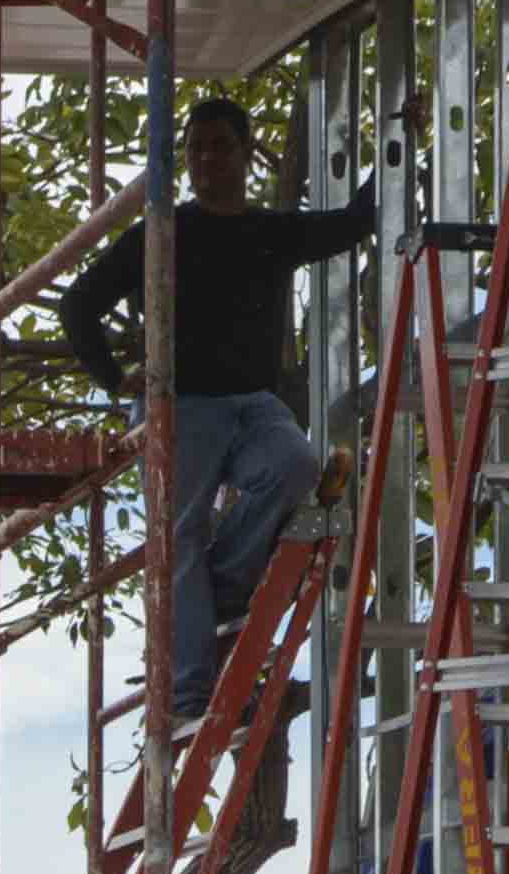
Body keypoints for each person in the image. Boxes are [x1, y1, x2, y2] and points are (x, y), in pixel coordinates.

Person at [62, 96, 376, 739]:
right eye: (196, 148)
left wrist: (403, 137)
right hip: (181, 406)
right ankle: (189, 696)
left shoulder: (268, 231)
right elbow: (79, 304)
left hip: (252, 404)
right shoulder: (163, 232)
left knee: (296, 465)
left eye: (220, 146)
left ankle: (226, 589)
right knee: (177, 538)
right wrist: (110, 376)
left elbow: (353, 223)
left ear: (243, 153)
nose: (207, 159)